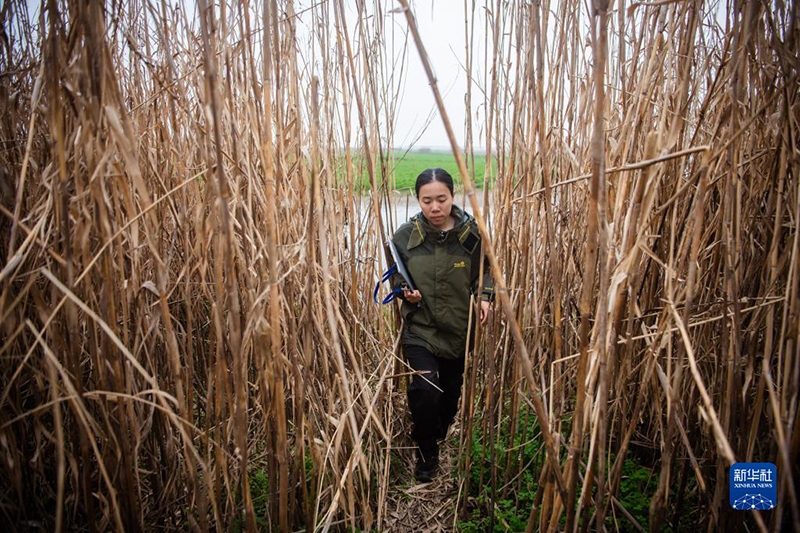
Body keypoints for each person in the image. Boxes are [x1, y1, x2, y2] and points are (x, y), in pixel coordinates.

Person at [389, 167, 495, 482]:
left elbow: (486, 272)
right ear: (417, 200)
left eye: (441, 199)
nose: (434, 208)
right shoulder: (404, 237)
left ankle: (437, 430)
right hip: (421, 328)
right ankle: (426, 452)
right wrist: (405, 292)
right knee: (425, 386)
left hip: (460, 330)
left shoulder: (473, 235)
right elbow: (395, 276)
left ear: (452, 196)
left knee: (449, 395)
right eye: (426, 201)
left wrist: (486, 297)